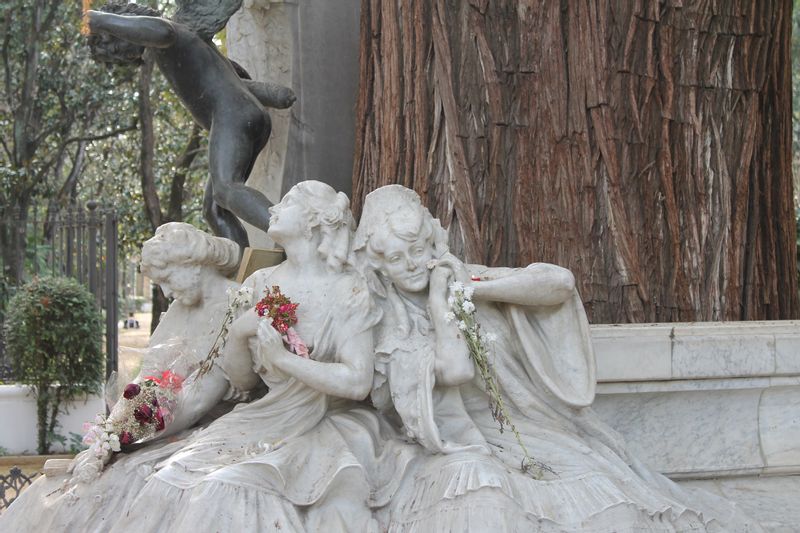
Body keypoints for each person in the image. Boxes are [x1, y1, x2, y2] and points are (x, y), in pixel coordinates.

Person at [353, 185, 761, 532]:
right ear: (379, 267)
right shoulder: (390, 329)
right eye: (395, 258)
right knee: (489, 508)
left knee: (614, 509)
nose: (411, 265)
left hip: (534, 434)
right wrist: (443, 305)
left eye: (419, 249)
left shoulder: (468, 279)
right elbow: (456, 369)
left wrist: (472, 290)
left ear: (434, 244)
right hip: (463, 446)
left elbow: (558, 284)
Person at [0, 222, 243, 530]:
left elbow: (197, 401)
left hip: (203, 427)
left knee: (129, 485)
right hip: (165, 425)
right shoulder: (181, 308)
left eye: (167, 280)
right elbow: (144, 382)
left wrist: (124, 439)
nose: (167, 292)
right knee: (69, 492)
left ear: (192, 265)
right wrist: (106, 437)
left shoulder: (235, 305)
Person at [86, 2, 296, 249]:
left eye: (112, 45)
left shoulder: (169, 33)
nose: (120, 55)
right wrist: (275, 95)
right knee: (214, 210)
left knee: (226, 189)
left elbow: (163, 32)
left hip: (233, 115)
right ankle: (243, 275)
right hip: (245, 114)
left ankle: (293, 233)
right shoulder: (186, 45)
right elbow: (236, 83)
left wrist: (95, 19)